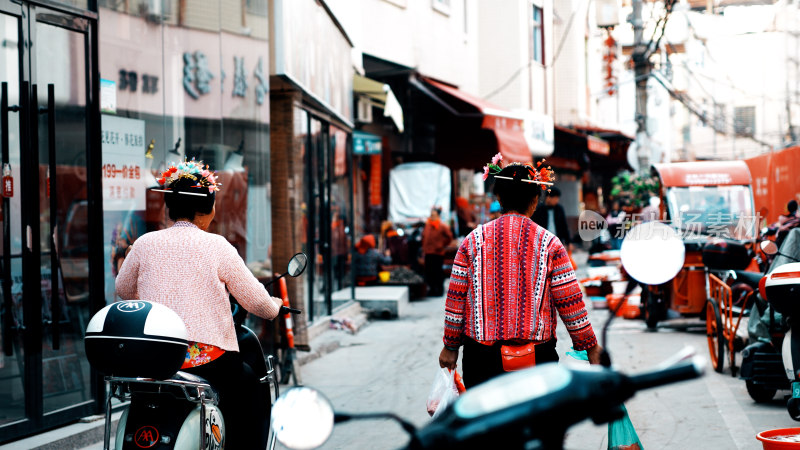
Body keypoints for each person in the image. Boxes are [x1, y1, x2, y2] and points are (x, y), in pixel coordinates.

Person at [115, 160, 283, 449]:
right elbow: (260, 305)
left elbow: (123, 290)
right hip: (207, 361)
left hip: (154, 359)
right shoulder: (218, 246)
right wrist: (276, 304)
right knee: (249, 387)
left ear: (169, 207)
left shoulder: (144, 243)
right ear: (208, 210)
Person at [438, 159, 602, 388]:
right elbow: (570, 302)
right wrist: (590, 345)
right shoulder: (550, 243)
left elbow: (456, 299)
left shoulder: (472, 241)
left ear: (499, 198)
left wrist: (450, 346)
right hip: (536, 361)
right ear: (535, 201)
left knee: (488, 422)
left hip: (481, 361)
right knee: (535, 423)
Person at [422, 207, 454, 296]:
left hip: (437, 253)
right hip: (428, 252)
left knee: (437, 272)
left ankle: (439, 290)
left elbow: (449, 237)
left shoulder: (442, 226)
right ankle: (432, 289)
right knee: (429, 272)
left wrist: (442, 245)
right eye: (431, 215)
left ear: (438, 216)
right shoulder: (428, 225)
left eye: (434, 215)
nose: (432, 217)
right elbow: (424, 236)